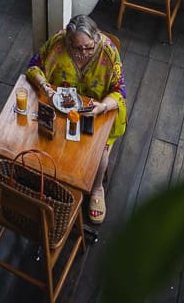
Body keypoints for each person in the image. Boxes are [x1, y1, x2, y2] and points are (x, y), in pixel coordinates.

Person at [22, 13, 127, 224]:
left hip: (94, 110)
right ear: (68, 41)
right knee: (40, 136)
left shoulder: (108, 51)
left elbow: (120, 91)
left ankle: (97, 189)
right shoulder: (58, 43)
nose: (82, 53)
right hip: (59, 106)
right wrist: (46, 87)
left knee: (100, 152)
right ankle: (46, 180)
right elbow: (33, 67)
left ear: (96, 38)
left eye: (88, 47)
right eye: (76, 48)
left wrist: (102, 106)